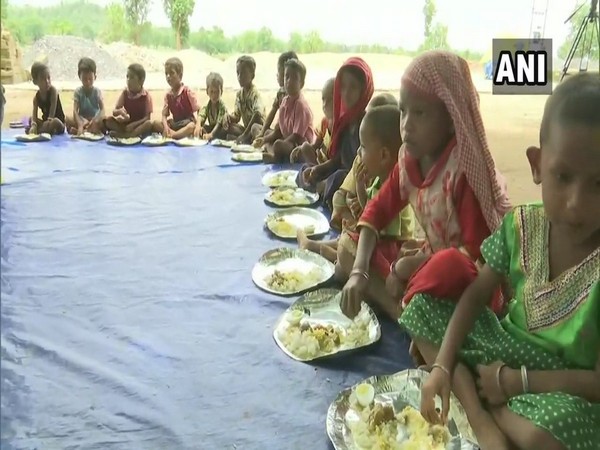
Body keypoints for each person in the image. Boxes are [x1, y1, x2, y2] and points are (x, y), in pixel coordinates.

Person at [401, 72, 600, 450]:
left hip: (560, 387)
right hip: (501, 348)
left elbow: (596, 382)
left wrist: (513, 382)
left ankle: (481, 403)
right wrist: (442, 364)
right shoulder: (521, 225)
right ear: (538, 165)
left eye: (599, 184)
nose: (577, 203)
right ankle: (479, 411)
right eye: (563, 176)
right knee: (424, 305)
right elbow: (475, 297)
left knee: (550, 434)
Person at [338, 51, 511, 321]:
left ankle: (418, 320)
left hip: (464, 286)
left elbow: (474, 257)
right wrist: (360, 272)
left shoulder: (462, 171)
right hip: (425, 265)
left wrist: (406, 266)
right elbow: (375, 212)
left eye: (420, 113)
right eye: (404, 111)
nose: (406, 126)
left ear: (452, 119)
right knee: (350, 246)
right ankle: (407, 316)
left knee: (448, 265)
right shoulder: (408, 162)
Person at [298, 105, 414, 264]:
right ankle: (316, 246)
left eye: (364, 147)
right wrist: (360, 189)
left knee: (349, 243)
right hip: (379, 242)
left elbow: (382, 234)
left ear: (384, 155)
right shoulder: (379, 181)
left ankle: (325, 252)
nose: (359, 152)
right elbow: (371, 215)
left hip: (392, 254)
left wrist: (360, 193)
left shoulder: (395, 190)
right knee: (349, 236)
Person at [297, 57, 374, 208]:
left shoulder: (366, 123)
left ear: (364, 90)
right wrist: (319, 168)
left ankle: (320, 189)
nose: (346, 93)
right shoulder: (344, 121)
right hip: (338, 171)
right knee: (307, 170)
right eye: (343, 87)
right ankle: (319, 187)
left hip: (355, 180)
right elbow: (338, 159)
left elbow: (365, 169)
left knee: (337, 178)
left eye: (353, 87)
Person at [331, 93, 400, 230]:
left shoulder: (393, 182)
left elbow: (377, 221)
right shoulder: (363, 159)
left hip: (380, 236)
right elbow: (350, 193)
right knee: (338, 196)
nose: (358, 151)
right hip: (362, 213)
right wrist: (352, 198)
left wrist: (362, 203)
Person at [256, 59, 315, 164]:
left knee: (278, 144)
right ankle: (277, 154)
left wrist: (281, 143)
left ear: (301, 84)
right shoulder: (284, 101)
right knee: (268, 133)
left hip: (299, 145)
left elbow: (297, 136)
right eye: (286, 77)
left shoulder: (301, 105)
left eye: (294, 78)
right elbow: (278, 130)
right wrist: (264, 139)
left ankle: (275, 157)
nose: (289, 81)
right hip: (288, 140)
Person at [251, 51, 298, 141]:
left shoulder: (294, 97)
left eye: (278, 72)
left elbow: (283, 128)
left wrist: (265, 138)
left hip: (289, 137)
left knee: (275, 137)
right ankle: (266, 146)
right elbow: (272, 113)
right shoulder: (280, 93)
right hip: (278, 132)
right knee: (255, 127)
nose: (277, 75)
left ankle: (267, 147)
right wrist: (262, 132)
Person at [152, 57, 201, 140]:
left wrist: (198, 125)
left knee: (191, 126)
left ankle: (173, 136)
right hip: (175, 124)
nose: (168, 76)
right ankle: (175, 134)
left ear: (180, 75)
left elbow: (199, 110)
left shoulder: (187, 92)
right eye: (166, 73)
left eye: (171, 73)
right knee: (155, 124)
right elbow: (164, 115)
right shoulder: (168, 95)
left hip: (187, 123)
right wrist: (166, 127)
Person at [290, 77, 335, 166]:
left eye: (330, 100)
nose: (325, 104)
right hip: (319, 159)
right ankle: (314, 171)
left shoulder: (342, 125)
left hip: (331, 165)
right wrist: (301, 148)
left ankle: (317, 173)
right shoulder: (324, 122)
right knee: (305, 146)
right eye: (323, 100)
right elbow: (316, 144)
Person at [222, 55, 265, 143]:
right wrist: (227, 117)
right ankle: (245, 139)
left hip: (257, 129)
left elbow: (257, 115)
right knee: (229, 127)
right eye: (238, 73)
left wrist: (245, 134)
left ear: (252, 75)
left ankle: (247, 139)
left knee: (254, 128)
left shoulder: (255, 93)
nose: (239, 76)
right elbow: (237, 117)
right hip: (246, 130)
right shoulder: (239, 95)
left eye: (244, 73)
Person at [104, 63, 153, 138]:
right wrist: (120, 112)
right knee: (108, 120)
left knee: (148, 124)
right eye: (127, 77)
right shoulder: (125, 93)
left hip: (138, 126)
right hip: (125, 125)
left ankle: (128, 135)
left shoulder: (146, 96)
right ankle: (125, 134)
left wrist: (134, 124)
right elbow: (115, 112)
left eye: (132, 78)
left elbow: (147, 118)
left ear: (141, 80)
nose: (128, 80)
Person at [26, 62, 66, 135]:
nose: (47, 81)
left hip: (56, 122)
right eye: (43, 79)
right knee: (30, 119)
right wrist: (33, 125)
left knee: (54, 121)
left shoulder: (53, 91)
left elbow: (52, 114)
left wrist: (48, 121)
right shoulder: (36, 98)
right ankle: (40, 130)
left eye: (48, 78)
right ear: (35, 82)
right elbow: (34, 115)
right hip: (46, 123)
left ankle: (39, 131)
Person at [71, 57, 105, 135]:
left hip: (94, 119)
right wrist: (80, 124)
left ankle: (84, 131)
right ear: (79, 77)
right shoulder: (78, 92)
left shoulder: (97, 92)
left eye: (90, 79)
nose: (88, 82)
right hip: (82, 119)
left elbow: (102, 109)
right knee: (68, 119)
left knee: (105, 121)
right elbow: (75, 111)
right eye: (85, 79)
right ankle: (85, 129)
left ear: (95, 77)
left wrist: (95, 121)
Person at [198, 72, 228, 141]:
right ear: (207, 91)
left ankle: (211, 136)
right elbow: (201, 116)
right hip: (212, 128)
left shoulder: (222, 106)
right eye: (211, 91)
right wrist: (198, 126)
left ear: (222, 92)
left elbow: (219, 124)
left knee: (225, 131)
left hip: (219, 129)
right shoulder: (207, 105)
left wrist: (211, 135)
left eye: (217, 92)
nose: (214, 95)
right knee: (203, 128)